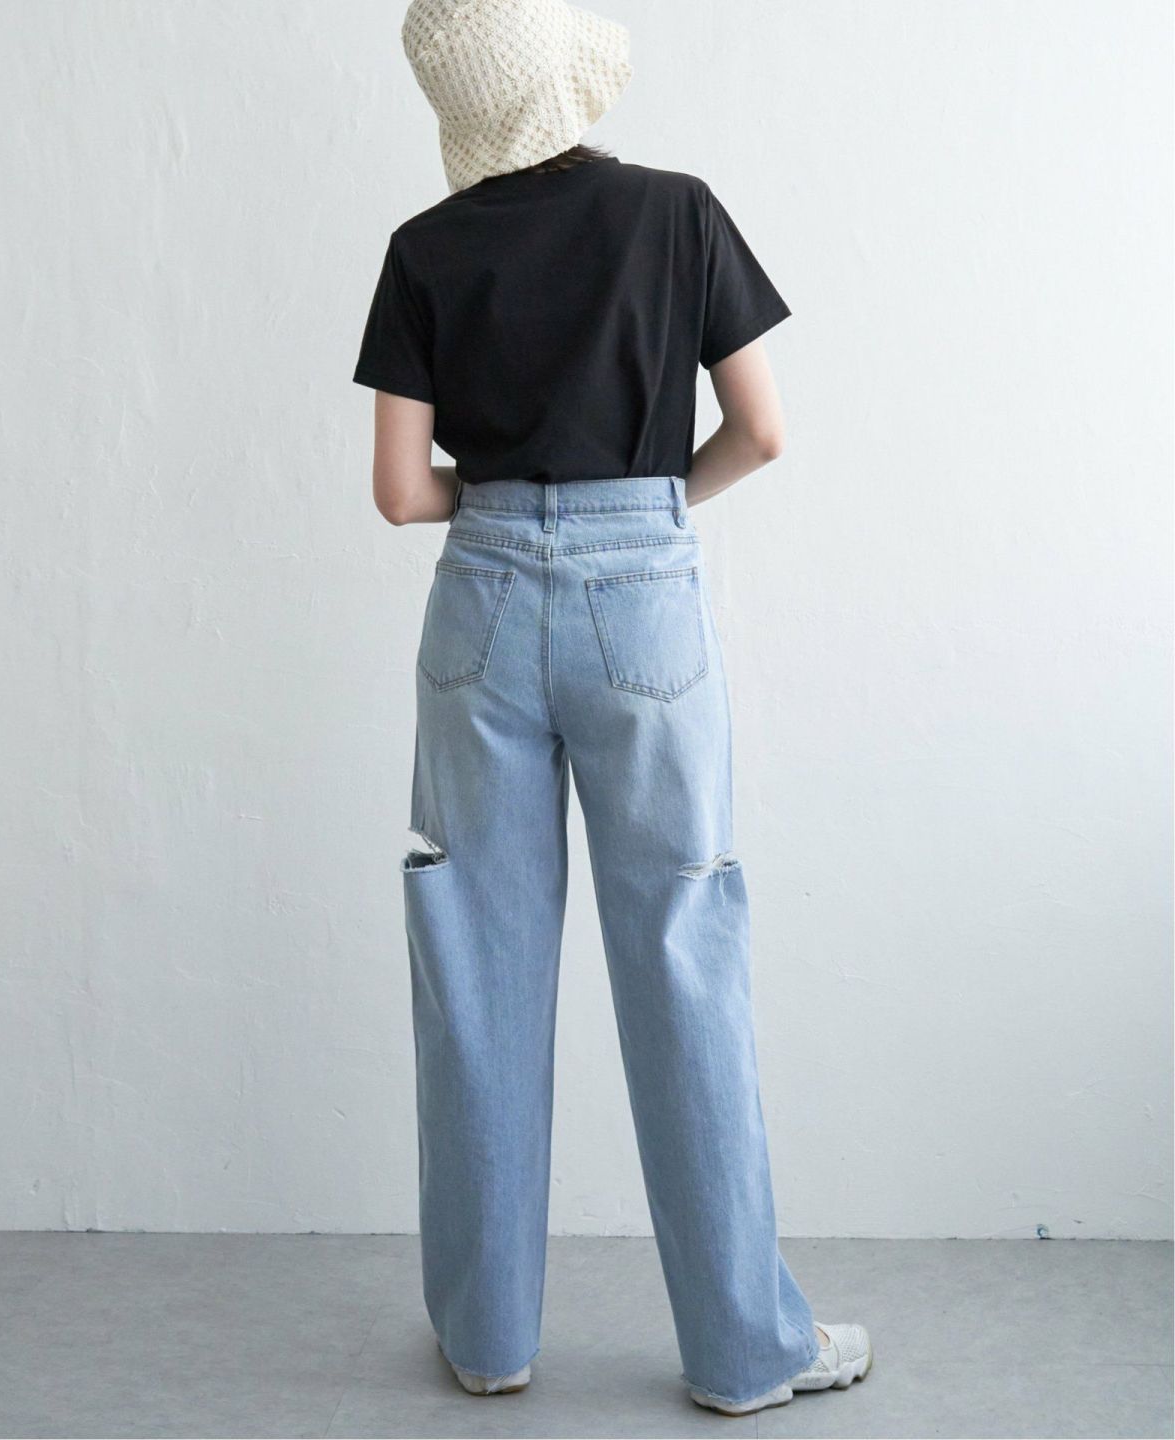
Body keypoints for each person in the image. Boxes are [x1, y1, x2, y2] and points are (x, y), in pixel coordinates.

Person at [352, 0, 872, 1417]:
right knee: (683, 951)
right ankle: (745, 1355)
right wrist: (644, 508)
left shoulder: (423, 248)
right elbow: (762, 430)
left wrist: (509, 510)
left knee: (476, 961)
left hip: (479, 604)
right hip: (644, 593)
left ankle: (487, 1341)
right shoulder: (678, 212)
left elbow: (398, 491)